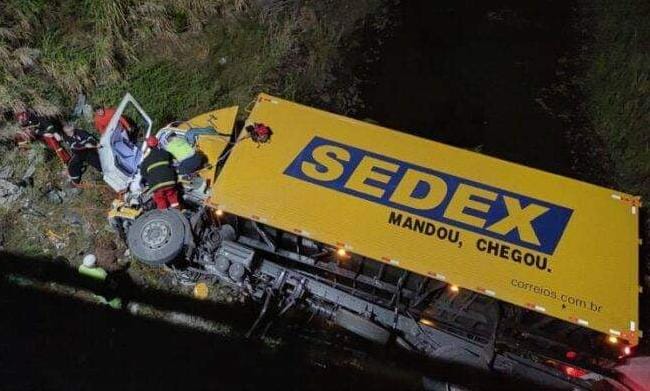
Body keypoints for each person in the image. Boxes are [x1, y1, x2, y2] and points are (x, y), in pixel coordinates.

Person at [141, 136, 180, 209]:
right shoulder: (166, 153)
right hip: (169, 181)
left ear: (148, 146)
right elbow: (174, 163)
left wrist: (151, 177)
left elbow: (143, 173)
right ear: (158, 143)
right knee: (172, 197)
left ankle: (166, 216)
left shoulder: (145, 160)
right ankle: (178, 212)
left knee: (160, 200)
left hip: (156, 185)